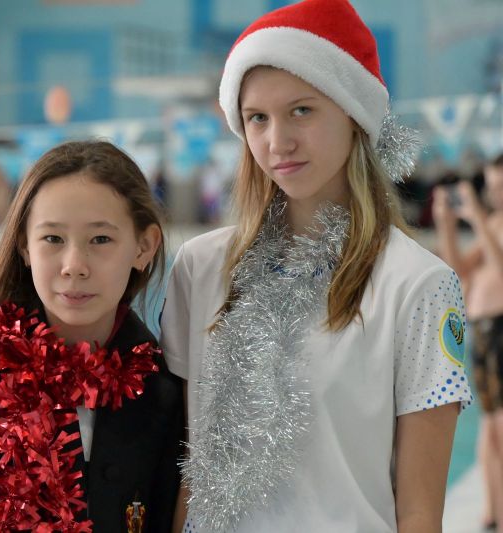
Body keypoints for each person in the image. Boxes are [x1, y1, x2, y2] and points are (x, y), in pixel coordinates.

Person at [160, 1, 473, 532]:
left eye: (302, 110)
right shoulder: (201, 267)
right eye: (257, 118)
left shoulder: (418, 284)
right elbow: (185, 473)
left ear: (354, 114)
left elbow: (420, 512)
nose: (278, 142)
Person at [0, 140, 184, 532]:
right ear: (24, 246)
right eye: (53, 239)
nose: (74, 266)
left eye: (100, 239)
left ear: (144, 247)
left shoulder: (163, 397)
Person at [434, 153, 503, 531]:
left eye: (501, 187)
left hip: (501, 330)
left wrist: (476, 217)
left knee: (500, 429)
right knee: (489, 429)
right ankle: (492, 511)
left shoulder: (489, 223)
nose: (495, 194)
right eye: (491, 188)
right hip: (484, 334)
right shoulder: (492, 222)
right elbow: (459, 271)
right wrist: (446, 224)